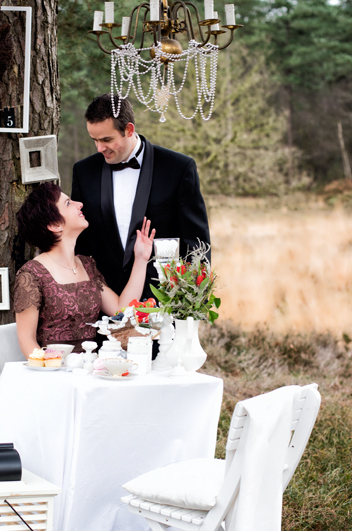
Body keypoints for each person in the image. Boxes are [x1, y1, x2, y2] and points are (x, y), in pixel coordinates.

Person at [70, 94, 212, 301]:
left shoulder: (178, 168)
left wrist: (193, 304)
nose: (100, 148)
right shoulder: (84, 172)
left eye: (107, 139)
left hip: (165, 300)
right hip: (105, 303)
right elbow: (80, 244)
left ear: (129, 130)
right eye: (95, 140)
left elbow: (196, 243)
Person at [12, 182, 155, 357]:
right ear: (55, 225)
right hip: (55, 371)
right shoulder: (31, 275)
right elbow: (27, 341)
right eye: (68, 203)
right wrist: (53, 372)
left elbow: (122, 309)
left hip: (92, 368)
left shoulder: (87, 264)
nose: (79, 204)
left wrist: (141, 258)